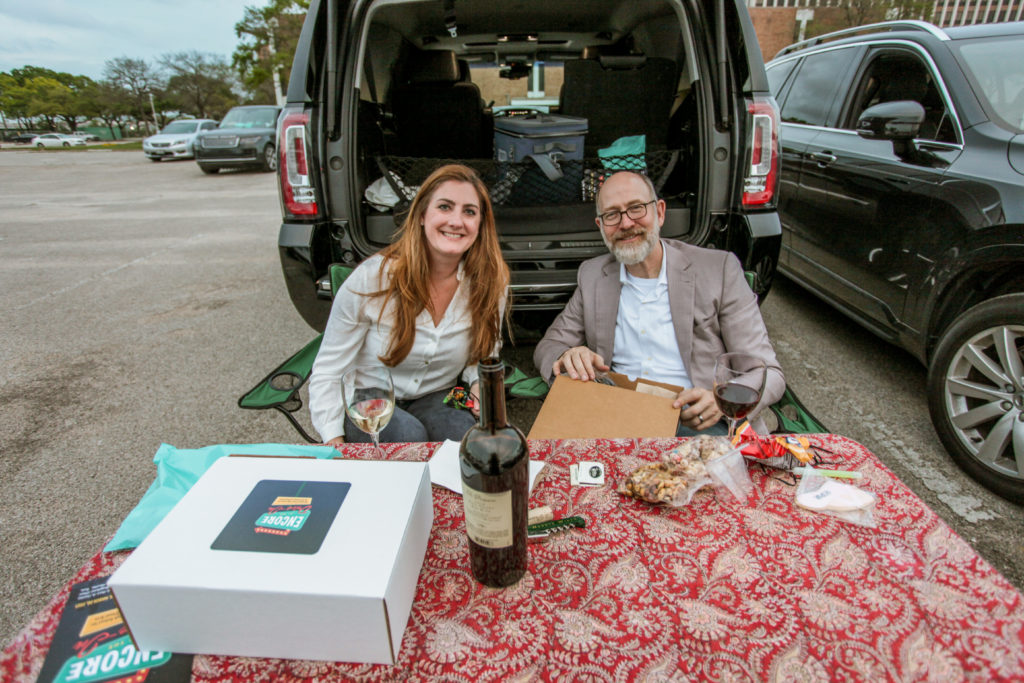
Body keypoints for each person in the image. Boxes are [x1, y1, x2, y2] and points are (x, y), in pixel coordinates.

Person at [533, 170, 784, 436]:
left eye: (636, 208)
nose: (626, 223)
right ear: (600, 225)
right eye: (612, 214)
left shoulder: (718, 270)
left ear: (660, 212)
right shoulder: (593, 275)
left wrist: (721, 401)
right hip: (617, 418)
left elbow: (768, 372)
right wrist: (567, 355)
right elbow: (548, 346)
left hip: (701, 423)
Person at [309, 164, 509, 446]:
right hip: (370, 394)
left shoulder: (490, 282)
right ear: (421, 216)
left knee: (466, 440)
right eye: (445, 207)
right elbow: (330, 370)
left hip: (439, 394)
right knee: (407, 437)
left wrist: (478, 384)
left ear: (481, 225)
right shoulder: (371, 279)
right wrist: (335, 442)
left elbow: (485, 352)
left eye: (469, 211)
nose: (456, 221)